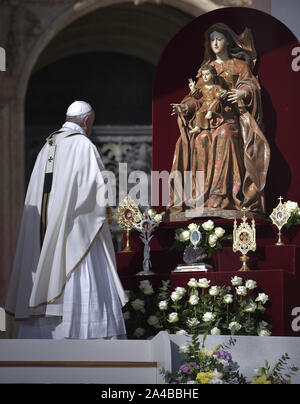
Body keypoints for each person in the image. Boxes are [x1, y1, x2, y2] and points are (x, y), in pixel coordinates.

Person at [5, 100, 128, 339]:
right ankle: (83, 335)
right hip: (75, 231)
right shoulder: (83, 145)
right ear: (86, 121)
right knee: (80, 275)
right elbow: (98, 190)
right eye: (91, 124)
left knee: (46, 270)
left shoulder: (46, 148)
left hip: (45, 229)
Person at [169, 23, 270, 217]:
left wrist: (242, 92)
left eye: (219, 39)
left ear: (227, 41)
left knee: (225, 136)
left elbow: (252, 86)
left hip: (231, 118)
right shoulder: (205, 70)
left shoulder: (239, 66)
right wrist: (185, 106)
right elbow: (196, 97)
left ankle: (222, 196)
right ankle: (202, 196)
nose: (215, 43)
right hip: (206, 121)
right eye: (212, 40)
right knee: (200, 140)